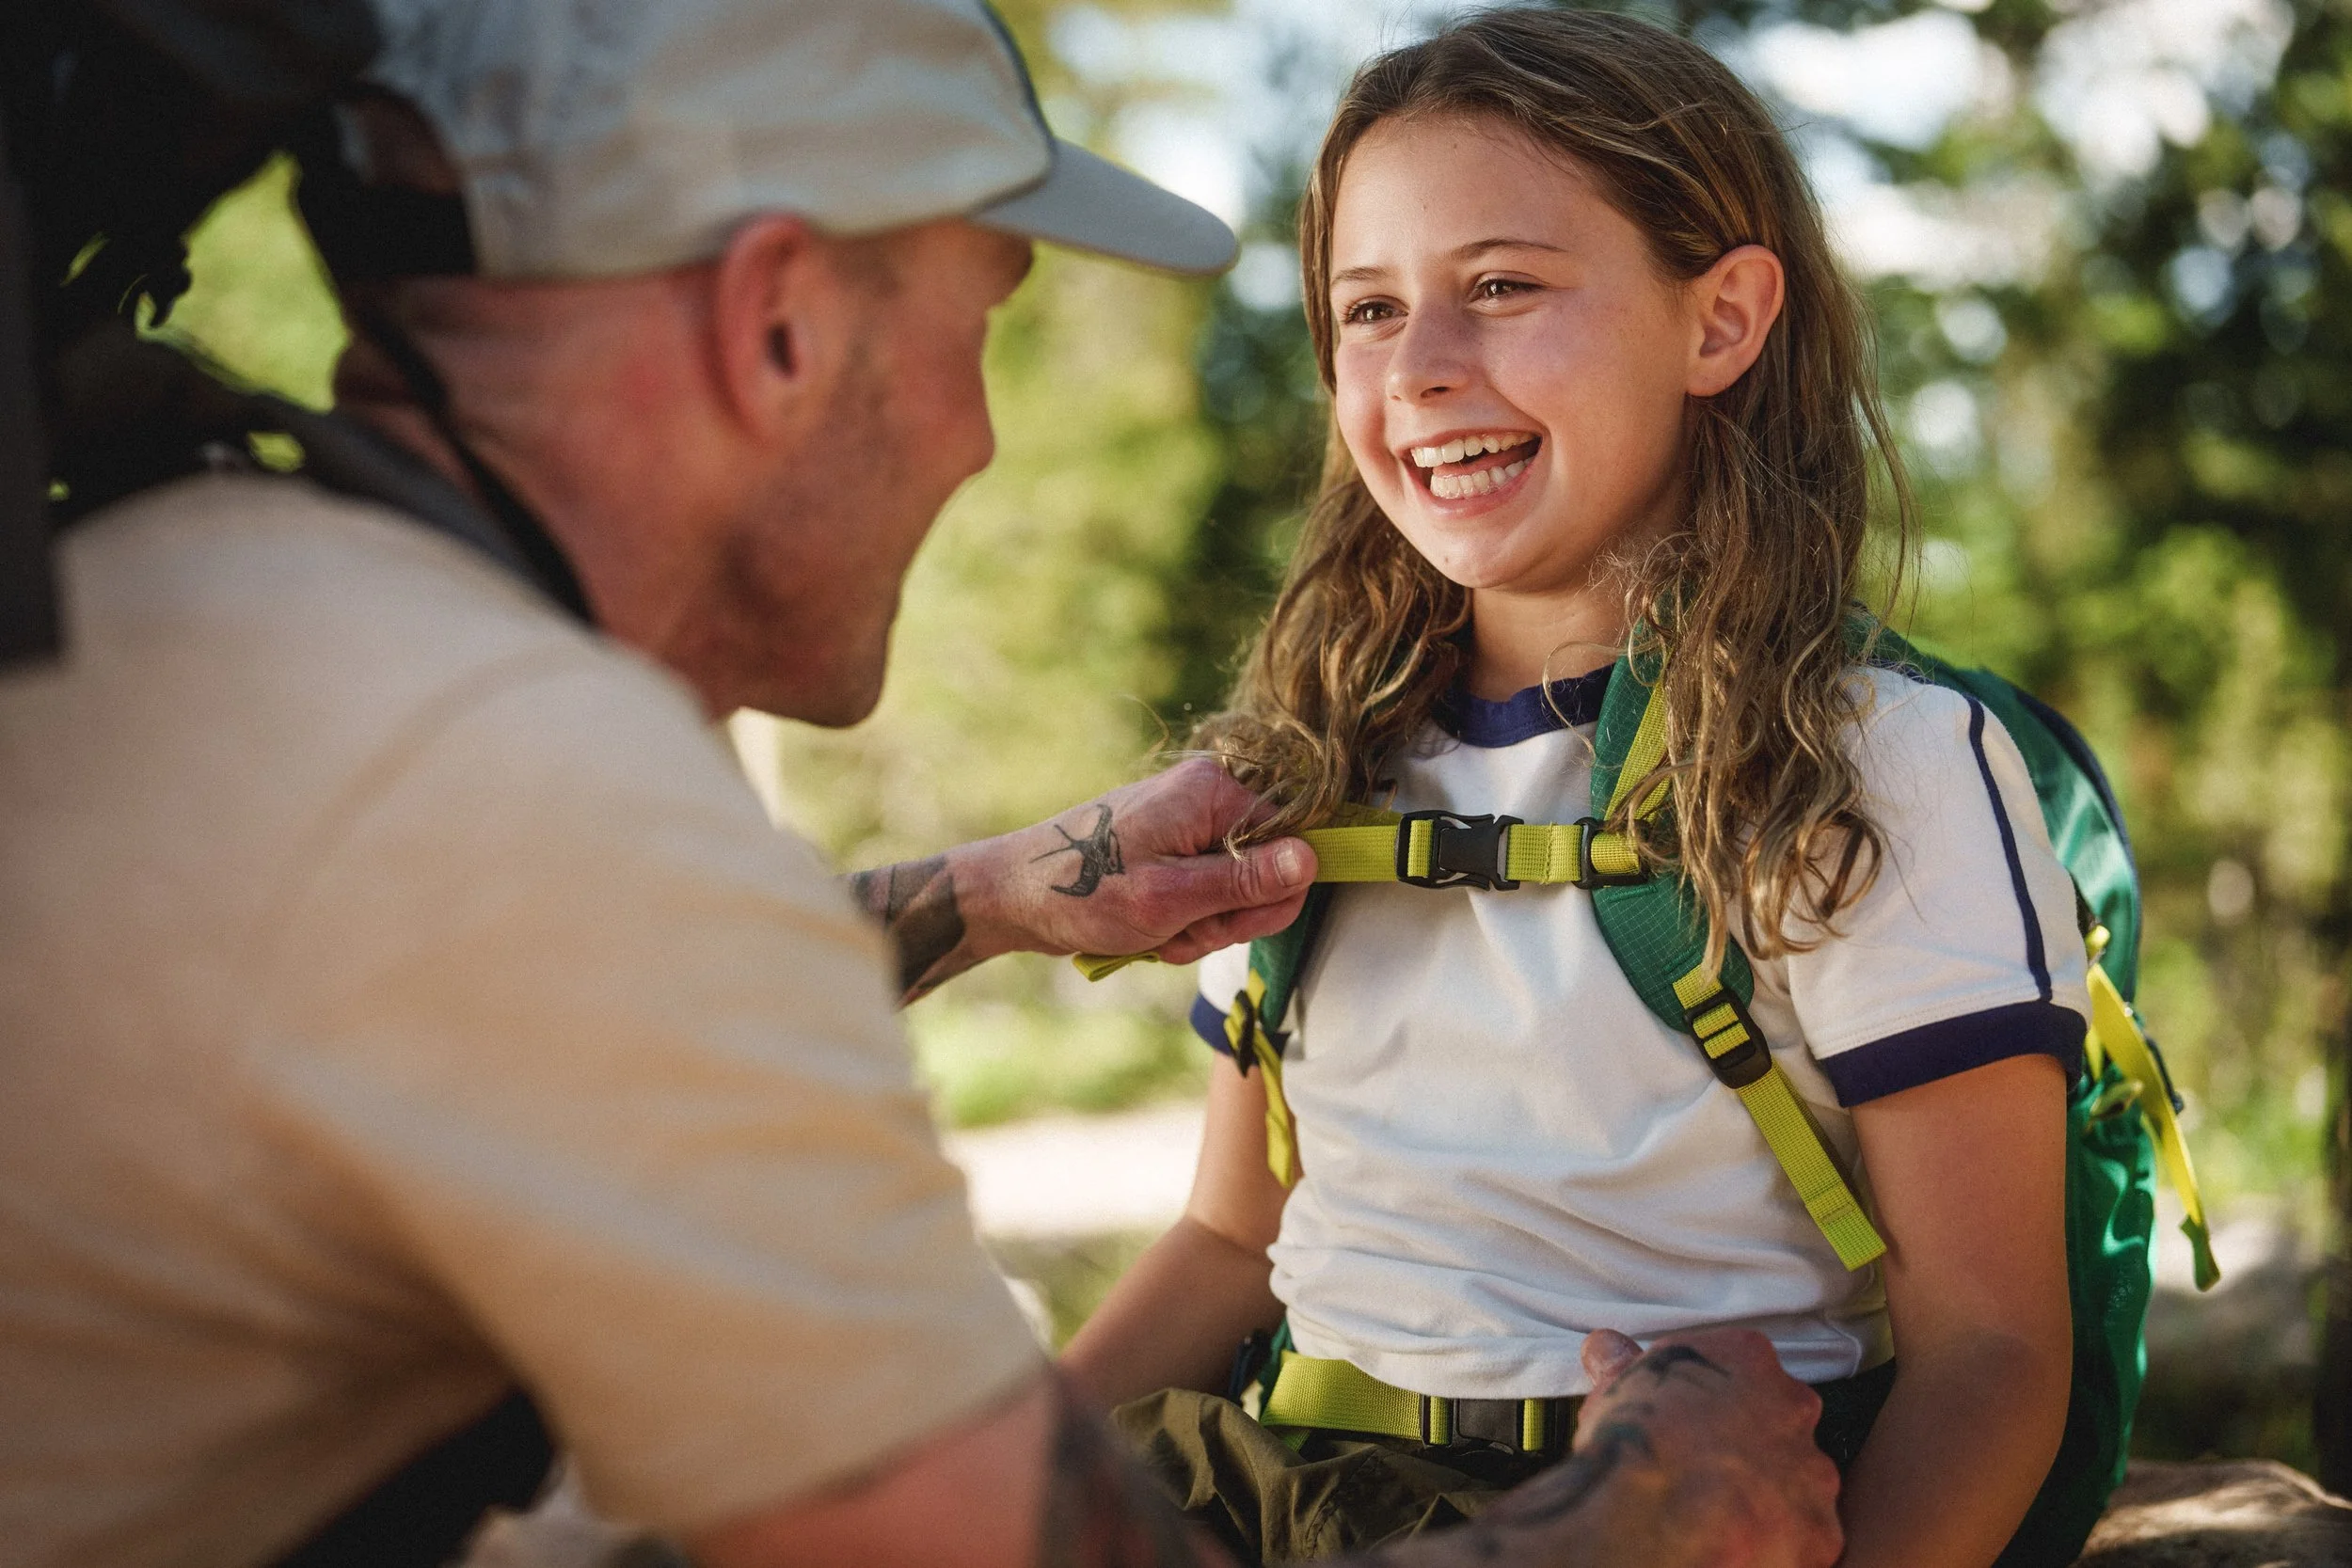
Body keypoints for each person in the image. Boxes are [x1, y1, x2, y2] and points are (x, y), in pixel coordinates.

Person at [0, 2, 1845, 1567]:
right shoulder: (511, 793)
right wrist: (1645, 1514)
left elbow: (544, 987)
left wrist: (978, 892)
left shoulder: (227, 602)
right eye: (976, 327)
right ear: (778, 327)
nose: (973, 430)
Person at [1066, 11, 2085, 1568]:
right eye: (1367, 308)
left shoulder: (1874, 760)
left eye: (1501, 288)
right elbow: (1226, 1236)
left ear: (1723, 319)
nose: (1420, 369)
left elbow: (1995, 1353)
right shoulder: (1312, 754)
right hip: (1260, 1487)